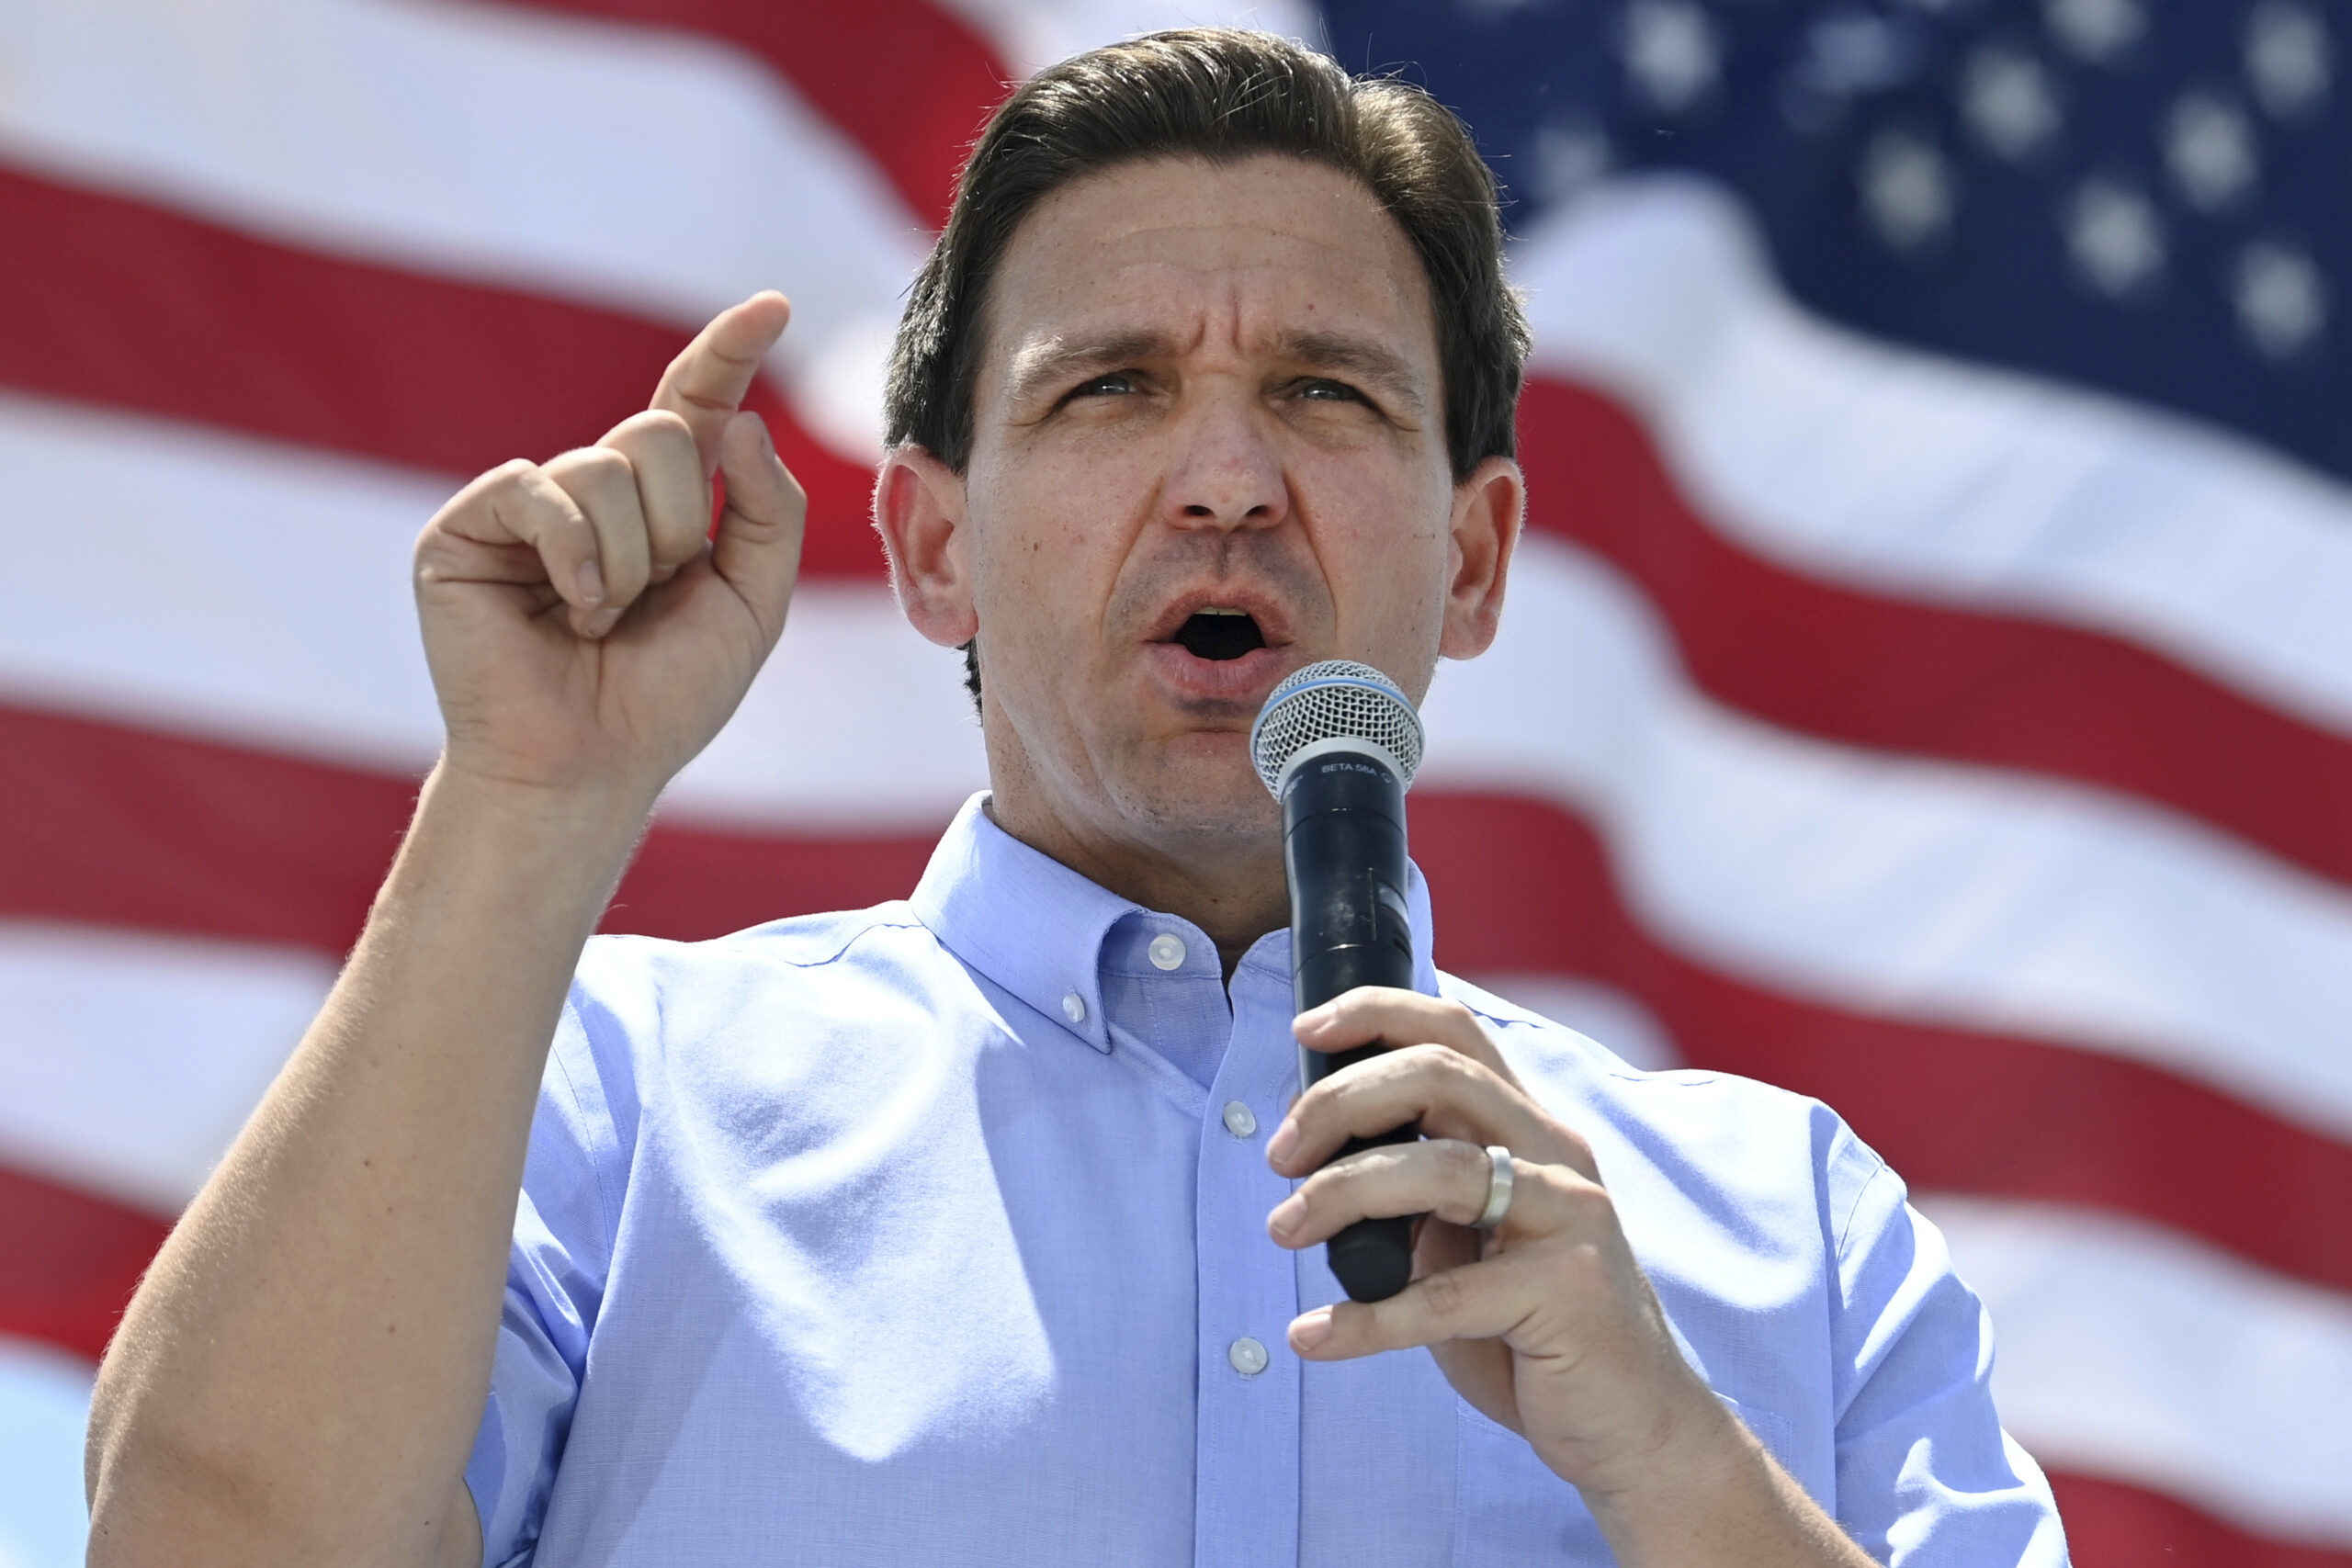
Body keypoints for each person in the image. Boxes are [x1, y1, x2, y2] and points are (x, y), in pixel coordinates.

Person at [85, 28, 2065, 1568]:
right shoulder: (603, 1105)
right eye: (1106, 386)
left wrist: (1672, 1457)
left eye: (1325, 391)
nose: (1223, 478)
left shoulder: (1786, 1230)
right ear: (933, 544)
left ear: (1469, 564)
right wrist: (526, 793)